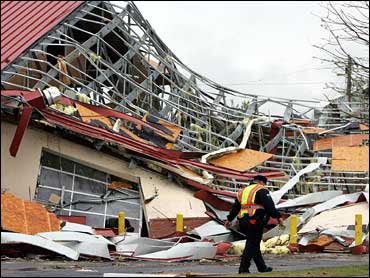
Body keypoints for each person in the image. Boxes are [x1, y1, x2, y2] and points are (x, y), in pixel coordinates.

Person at [224, 175, 284, 274]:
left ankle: (262, 267)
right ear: (261, 182)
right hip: (254, 220)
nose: (265, 186)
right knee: (252, 243)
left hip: (243, 221)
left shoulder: (242, 191)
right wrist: (278, 216)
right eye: (265, 183)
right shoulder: (261, 190)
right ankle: (243, 268)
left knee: (254, 243)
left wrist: (229, 219)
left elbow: (236, 207)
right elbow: (269, 206)